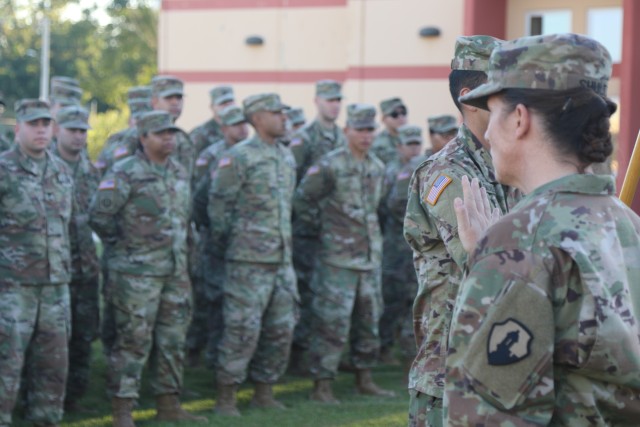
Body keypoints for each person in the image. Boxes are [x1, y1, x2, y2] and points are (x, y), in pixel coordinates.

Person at [445, 33, 640, 426]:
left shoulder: (520, 241)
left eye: (493, 111)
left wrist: (496, 261)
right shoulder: (626, 224)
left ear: (519, 119)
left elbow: (490, 416)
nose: (488, 133)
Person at [403, 35, 522, 427]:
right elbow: (485, 261)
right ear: (471, 97)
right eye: (503, 90)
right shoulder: (448, 172)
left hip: (499, 351)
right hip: (452, 364)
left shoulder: (506, 166)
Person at [89, 111, 206, 426]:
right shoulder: (125, 173)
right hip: (136, 275)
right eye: (160, 133)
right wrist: (125, 247)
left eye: (171, 133)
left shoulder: (179, 172)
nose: (169, 138)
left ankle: (168, 403)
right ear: (143, 138)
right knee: (133, 341)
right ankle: (123, 411)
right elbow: (99, 216)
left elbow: (184, 219)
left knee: (172, 340)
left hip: (174, 272)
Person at [294, 103, 394, 403]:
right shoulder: (329, 164)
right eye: (360, 129)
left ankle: (364, 379)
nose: (366, 135)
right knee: (331, 324)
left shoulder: (376, 166)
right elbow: (302, 200)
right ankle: (321, 386)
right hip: (336, 260)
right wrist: (323, 227)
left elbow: (377, 209)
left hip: (368, 259)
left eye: (369, 130)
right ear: (346, 130)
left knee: (368, 321)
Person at [209, 93, 297, 416]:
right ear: (257, 117)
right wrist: (236, 246)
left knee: (281, 328)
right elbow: (218, 208)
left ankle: (264, 391)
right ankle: (226, 396)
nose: (283, 118)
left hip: (281, 260)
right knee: (241, 330)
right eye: (276, 113)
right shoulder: (239, 157)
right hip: (247, 262)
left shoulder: (286, 156)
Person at [0, 99, 74, 427]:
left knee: (53, 365)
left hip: (56, 287)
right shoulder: (3, 170)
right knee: (6, 364)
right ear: (18, 130)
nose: (42, 130)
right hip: (12, 286)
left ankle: (45, 421)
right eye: (34, 124)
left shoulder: (60, 170)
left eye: (46, 123)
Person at [288, 80, 346, 374]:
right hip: (307, 232)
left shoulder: (343, 137)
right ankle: (296, 355)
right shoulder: (304, 139)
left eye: (338, 99)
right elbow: (293, 186)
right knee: (306, 291)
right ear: (317, 101)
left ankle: (317, 354)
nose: (334, 104)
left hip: (335, 234)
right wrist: (309, 222)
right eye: (329, 99)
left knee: (326, 295)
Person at [188, 105, 249, 370]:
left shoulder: (249, 154)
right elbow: (200, 198)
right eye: (235, 125)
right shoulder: (212, 156)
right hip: (216, 241)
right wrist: (212, 230)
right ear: (223, 128)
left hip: (244, 243)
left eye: (243, 124)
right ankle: (205, 353)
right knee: (212, 299)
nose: (241, 129)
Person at [51, 105, 101, 413]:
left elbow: (105, 211)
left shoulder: (92, 171)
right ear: (58, 130)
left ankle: (74, 397)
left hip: (86, 268)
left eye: (83, 131)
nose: (78, 136)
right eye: (72, 130)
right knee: (53, 339)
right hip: (54, 269)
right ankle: (41, 397)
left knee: (83, 335)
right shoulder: (48, 168)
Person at [378, 124, 425, 368]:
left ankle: (409, 350)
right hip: (396, 244)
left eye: (418, 143)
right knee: (392, 298)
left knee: (413, 296)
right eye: (410, 144)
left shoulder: (424, 165)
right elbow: (389, 205)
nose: (415, 148)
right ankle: (384, 346)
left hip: (415, 246)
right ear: (399, 147)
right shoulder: (393, 170)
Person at [190, 85, 235, 156]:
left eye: (230, 102)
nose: (228, 106)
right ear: (212, 107)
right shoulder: (200, 133)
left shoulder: (239, 128)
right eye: (223, 103)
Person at [371, 97, 408, 164]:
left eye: (403, 113)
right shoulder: (377, 143)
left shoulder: (410, 140)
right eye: (394, 114)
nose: (400, 117)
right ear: (383, 119)